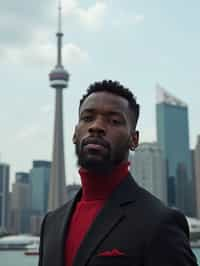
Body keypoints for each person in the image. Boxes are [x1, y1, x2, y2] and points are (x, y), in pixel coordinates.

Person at [38, 80, 198, 266]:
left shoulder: (159, 222)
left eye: (114, 121)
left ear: (134, 139)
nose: (96, 126)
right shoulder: (51, 223)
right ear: (75, 133)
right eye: (88, 118)